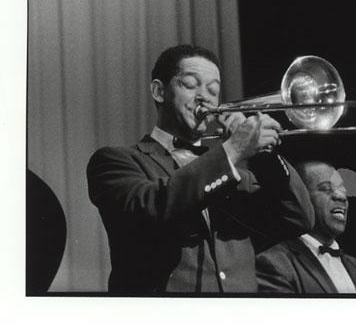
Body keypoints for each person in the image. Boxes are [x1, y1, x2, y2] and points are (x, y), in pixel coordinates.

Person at [86, 44, 314, 293]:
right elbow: (153, 206)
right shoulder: (116, 161)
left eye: (213, 89)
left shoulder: (238, 176)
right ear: (159, 91)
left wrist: (265, 155)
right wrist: (234, 149)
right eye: (191, 84)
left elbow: (298, 217)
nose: (204, 97)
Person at [256, 160, 356, 294]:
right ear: (301, 198)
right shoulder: (274, 264)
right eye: (326, 188)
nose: (341, 196)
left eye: (342, 189)